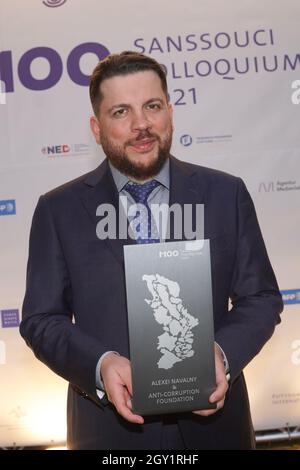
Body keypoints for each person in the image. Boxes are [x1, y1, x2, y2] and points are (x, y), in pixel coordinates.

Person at [20, 51, 283, 450]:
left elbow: (261, 298)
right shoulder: (59, 210)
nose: (141, 124)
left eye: (152, 106)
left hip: (217, 431)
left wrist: (222, 356)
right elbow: (41, 319)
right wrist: (101, 365)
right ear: (96, 127)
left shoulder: (225, 194)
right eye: (121, 111)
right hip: (108, 434)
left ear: (170, 113)